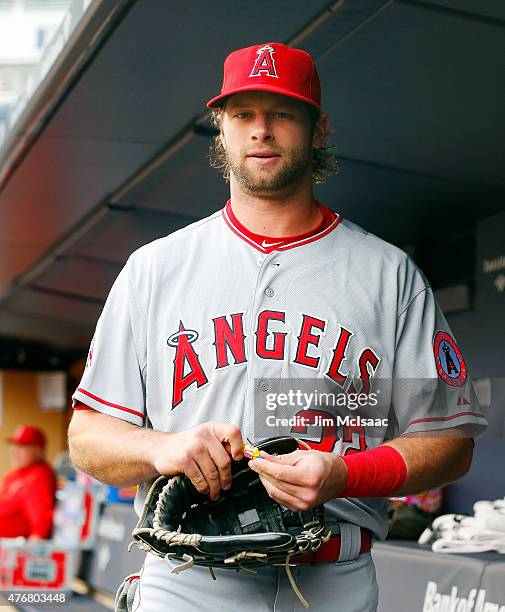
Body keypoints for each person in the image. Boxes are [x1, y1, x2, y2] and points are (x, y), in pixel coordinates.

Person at [68, 43, 486, 611]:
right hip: (187, 576)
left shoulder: (387, 273)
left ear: (318, 129)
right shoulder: (154, 269)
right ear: (221, 130)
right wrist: (165, 447)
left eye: (282, 112)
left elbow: (450, 441)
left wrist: (344, 473)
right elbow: (88, 437)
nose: (260, 130)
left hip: (330, 577)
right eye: (243, 114)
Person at [0, 425, 56, 539]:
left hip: (10, 551)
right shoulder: (16, 475)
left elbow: (40, 527)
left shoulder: (39, 476)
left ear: (39, 451)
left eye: (22, 446)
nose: (14, 451)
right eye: (14, 445)